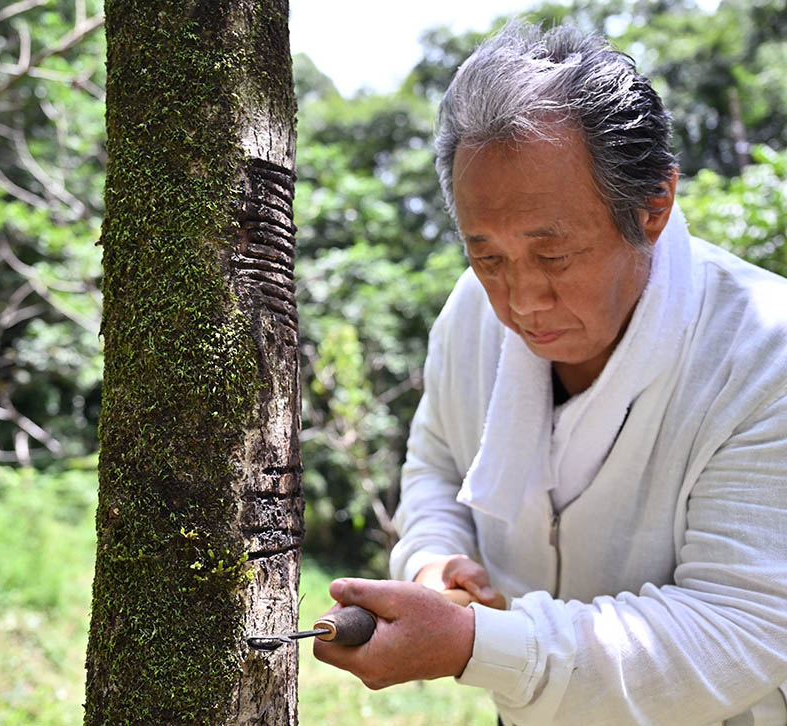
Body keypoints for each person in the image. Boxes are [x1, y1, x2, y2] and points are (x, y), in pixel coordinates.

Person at [312, 21, 787, 726]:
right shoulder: (470, 315)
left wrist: (476, 645)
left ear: (653, 207)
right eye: (488, 256)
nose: (521, 299)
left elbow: (739, 627)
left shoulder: (763, 349)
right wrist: (434, 559)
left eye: (554, 255)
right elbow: (437, 466)